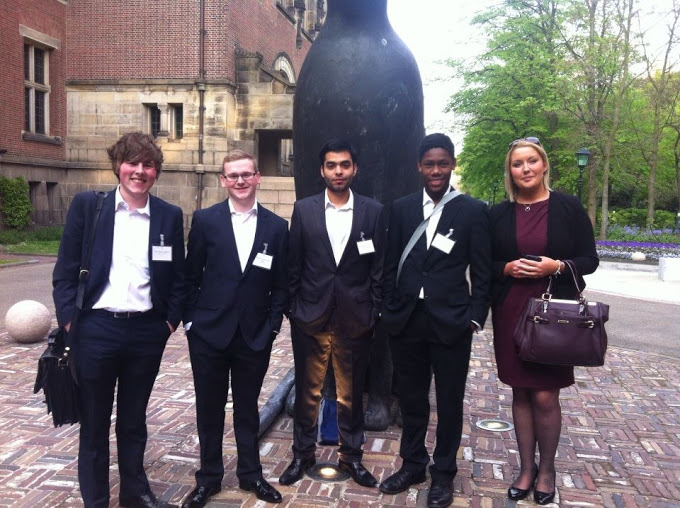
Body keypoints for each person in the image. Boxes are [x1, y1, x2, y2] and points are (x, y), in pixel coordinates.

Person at [52, 132, 185, 508]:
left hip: (146, 332)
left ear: (156, 171)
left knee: (133, 422)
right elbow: (64, 272)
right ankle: (96, 501)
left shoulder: (168, 216)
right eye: (132, 163)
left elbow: (178, 278)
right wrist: (70, 323)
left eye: (148, 165)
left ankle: (135, 495)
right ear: (118, 166)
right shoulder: (88, 207)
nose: (139, 171)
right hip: (96, 330)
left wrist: (168, 323)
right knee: (94, 424)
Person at [380, 133, 492, 508]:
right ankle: (413, 463)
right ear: (419, 166)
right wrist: (387, 309)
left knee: (449, 402)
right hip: (407, 321)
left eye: (443, 163)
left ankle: (443, 474)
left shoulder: (472, 211)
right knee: (411, 399)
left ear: (453, 164)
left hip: (451, 324)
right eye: (429, 164)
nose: (436, 170)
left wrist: (476, 318)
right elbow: (388, 263)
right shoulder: (401, 208)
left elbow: (482, 270)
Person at [489, 137, 599, 505]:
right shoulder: (498, 214)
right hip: (511, 310)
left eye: (531, 161)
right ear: (511, 171)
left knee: (545, 395)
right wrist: (505, 267)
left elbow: (590, 258)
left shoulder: (566, 207)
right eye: (518, 164)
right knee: (520, 392)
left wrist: (558, 266)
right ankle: (525, 468)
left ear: (544, 165)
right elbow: (482, 263)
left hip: (553, 315)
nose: (525, 169)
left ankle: (547, 469)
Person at [181, 150, 288, 507]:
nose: (240, 181)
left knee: (247, 407)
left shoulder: (276, 226)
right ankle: (208, 478)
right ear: (223, 181)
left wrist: (272, 326)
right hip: (208, 334)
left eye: (246, 174)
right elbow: (190, 276)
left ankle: (250, 474)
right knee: (208, 408)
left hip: (254, 335)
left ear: (258, 177)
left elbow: (282, 284)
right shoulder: (206, 220)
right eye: (233, 176)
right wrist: (192, 322)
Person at [279, 138, 385, 488]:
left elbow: (378, 268)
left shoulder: (372, 210)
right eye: (331, 165)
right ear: (322, 170)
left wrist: (373, 309)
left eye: (344, 165)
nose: (337, 171)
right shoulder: (305, 209)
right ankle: (302, 455)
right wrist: (293, 309)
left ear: (355, 169)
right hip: (310, 315)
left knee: (351, 393)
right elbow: (293, 264)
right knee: (308, 392)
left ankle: (351, 458)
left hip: (356, 318)